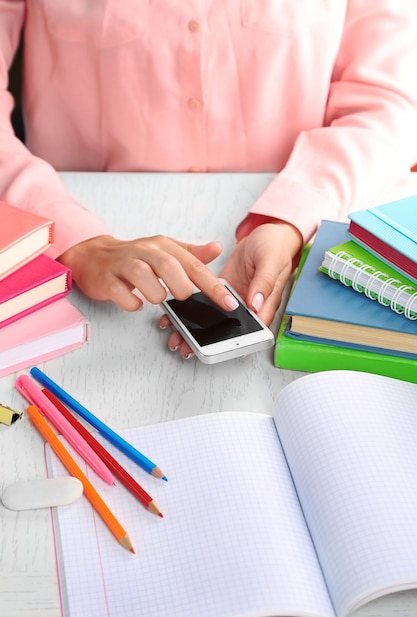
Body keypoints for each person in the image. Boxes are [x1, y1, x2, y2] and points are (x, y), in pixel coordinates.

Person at [1, 2, 417, 358]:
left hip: (300, 222)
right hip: (64, 258)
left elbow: (390, 102)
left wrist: (290, 221)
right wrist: (75, 240)